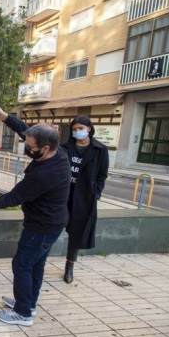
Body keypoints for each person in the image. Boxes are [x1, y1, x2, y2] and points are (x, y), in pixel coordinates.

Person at [0, 105, 70, 327]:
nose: (27, 148)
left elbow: (14, 197)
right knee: (36, 264)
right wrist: (3, 115)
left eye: (30, 147)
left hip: (42, 226)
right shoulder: (57, 151)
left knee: (22, 264)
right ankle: (28, 302)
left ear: (44, 148)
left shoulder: (45, 174)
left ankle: (23, 313)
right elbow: (25, 130)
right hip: (51, 222)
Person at [60, 116, 109, 283]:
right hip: (63, 195)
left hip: (84, 197)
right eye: (74, 129)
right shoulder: (64, 147)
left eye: (80, 128)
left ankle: (69, 268)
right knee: (52, 227)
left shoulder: (100, 150)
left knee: (76, 233)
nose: (77, 131)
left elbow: (102, 174)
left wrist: (96, 193)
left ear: (89, 128)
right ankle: (39, 262)